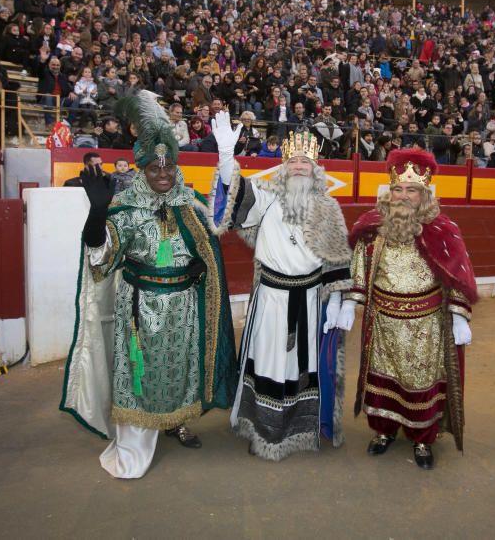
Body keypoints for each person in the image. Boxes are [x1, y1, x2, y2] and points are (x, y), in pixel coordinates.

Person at [61, 90, 238, 479]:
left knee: (180, 369)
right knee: (141, 373)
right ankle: (136, 438)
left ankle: (175, 421)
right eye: (155, 168)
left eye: (169, 167)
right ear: (142, 168)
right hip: (139, 308)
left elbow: (219, 229)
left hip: (185, 307)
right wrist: (96, 213)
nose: (163, 174)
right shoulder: (124, 206)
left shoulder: (191, 204)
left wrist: (227, 162)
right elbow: (101, 255)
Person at [212, 114, 352, 461]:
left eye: (306, 161)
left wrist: (339, 300)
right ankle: (260, 428)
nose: (300, 166)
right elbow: (234, 195)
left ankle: (296, 428)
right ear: (284, 166)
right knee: (267, 361)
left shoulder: (328, 208)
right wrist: (227, 157)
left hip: (308, 301)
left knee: (299, 367)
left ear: (316, 168)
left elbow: (337, 258)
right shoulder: (266, 198)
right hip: (271, 298)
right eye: (294, 161)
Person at [344, 148, 477, 470]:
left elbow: (457, 272)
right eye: (399, 189)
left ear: (425, 194)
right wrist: (351, 301)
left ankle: (422, 439)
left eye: (412, 190)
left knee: (420, 383)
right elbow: (359, 268)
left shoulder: (443, 229)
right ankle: (384, 431)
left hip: (426, 327)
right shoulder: (372, 228)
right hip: (383, 324)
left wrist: (459, 313)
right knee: (383, 380)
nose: (404, 196)